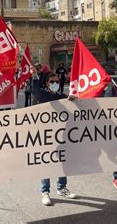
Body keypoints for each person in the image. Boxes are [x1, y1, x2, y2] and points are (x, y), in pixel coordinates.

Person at [33, 72, 77, 205]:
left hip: (61, 135)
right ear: (46, 83)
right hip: (45, 136)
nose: (55, 84)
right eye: (52, 82)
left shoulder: (62, 97)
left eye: (57, 82)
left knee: (62, 161)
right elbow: (35, 89)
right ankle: (45, 191)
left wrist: (73, 100)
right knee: (47, 162)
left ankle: (61, 187)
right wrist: (34, 76)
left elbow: (72, 108)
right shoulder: (43, 95)